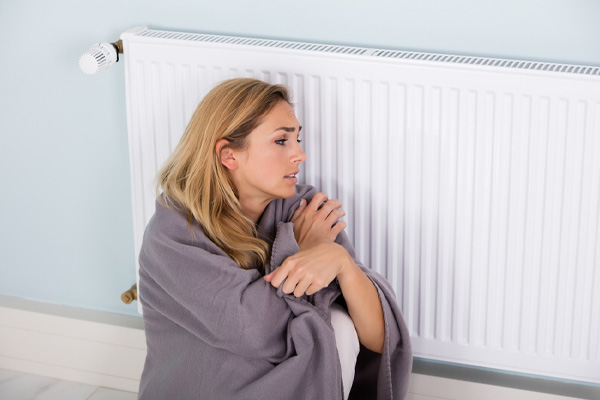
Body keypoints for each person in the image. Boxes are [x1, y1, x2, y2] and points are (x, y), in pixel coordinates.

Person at [137, 78, 412, 400]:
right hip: (206, 387)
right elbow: (256, 332)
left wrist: (342, 264)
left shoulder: (304, 209)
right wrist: (300, 249)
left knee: (337, 320)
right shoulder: (174, 233)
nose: (300, 154)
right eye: (282, 141)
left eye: (297, 139)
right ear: (229, 155)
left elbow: (379, 340)